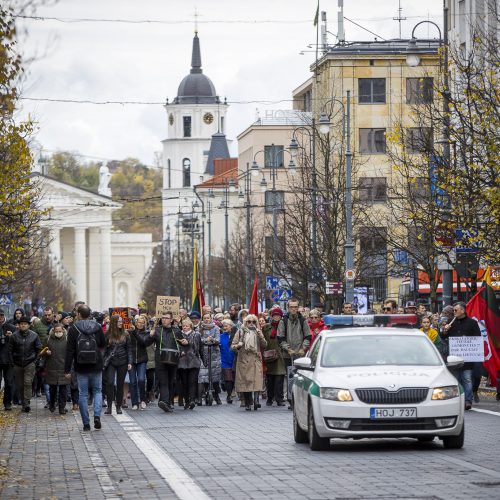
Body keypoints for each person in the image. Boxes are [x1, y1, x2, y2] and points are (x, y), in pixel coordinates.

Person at [64, 304, 106, 431]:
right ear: (90, 315)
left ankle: (86, 423)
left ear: (78, 315)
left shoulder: (73, 328)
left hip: (80, 365)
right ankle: (97, 416)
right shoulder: (97, 327)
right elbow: (102, 344)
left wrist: (67, 370)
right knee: (98, 391)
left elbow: (70, 351)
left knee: (83, 394)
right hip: (96, 364)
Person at [441, 301, 481, 410]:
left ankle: (468, 401)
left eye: (455, 310)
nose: (454, 312)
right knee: (456, 379)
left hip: (467, 358)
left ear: (462, 311)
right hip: (454, 357)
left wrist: (466, 339)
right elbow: (443, 337)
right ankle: (457, 400)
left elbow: (477, 338)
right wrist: (445, 331)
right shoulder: (450, 322)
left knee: (467, 379)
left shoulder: (472, 323)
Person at [277, 299, 311, 407]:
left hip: (300, 354)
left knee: (300, 377)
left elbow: (308, 336)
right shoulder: (283, 321)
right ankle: (291, 399)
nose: (293, 309)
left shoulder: (303, 320)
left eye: (295, 307)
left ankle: (301, 399)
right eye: (291, 307)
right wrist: (288, 349)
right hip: (288, 354)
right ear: (288, 308)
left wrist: (303, 348)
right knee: (290, 377)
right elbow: (280, 337)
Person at [148, 312, 183, 413]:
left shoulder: (176, 330)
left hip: (173, 359)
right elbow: (146, 342)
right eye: (162, 318)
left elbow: (182, 343)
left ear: (171, 320)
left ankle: (168, 402)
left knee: (171, 381)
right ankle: (164, 401)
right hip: (160, 359)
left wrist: (185, 343)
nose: (164, 320)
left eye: (166, 318)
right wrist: (150, 335)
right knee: (163, 381)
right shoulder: (157, 330)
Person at [231, 314, 267, 411]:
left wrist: (260, 335)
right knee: (246, 382)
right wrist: (238, 345)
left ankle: (256, 401)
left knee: (257, 381)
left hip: (255, 359)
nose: (251, 324)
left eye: (254, 322)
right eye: (249, 322)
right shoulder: (240, 331)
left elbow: (265, 344)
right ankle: (247, 402)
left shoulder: (258, 331)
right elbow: (232, 346)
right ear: (245, 323)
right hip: (244, 360)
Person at [9, 316, 42, 412]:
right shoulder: (14, 336)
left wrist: (35, 361)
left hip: (30, 363)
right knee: (20, 385)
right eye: (21, 324)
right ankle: (23, 402)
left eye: (25, 324)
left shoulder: (34, 335)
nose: (23, 325)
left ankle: (27, 402)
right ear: (18, 325)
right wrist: (12, 363)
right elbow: (10, 350)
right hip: (17, 363)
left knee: (27, 382)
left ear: (29, 325)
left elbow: (38, 349)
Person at [103, 315, 132, 415]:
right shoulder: (108, 334)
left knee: (120, 385)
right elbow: (104, 350)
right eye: (118, 321)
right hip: (111, 362)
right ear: (114, 323)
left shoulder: (126, 334)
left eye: (121, 321)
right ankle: (109, 407)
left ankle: (118, 406)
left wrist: (130, 362)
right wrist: (103, 361)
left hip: (123, 361)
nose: (120, 323)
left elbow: (129, 350)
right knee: (110, 383)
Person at [262, 307, 286, 407]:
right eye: (275, 315)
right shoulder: (266, 327)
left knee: (279, 378)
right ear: (272, 316)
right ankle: (270, 398)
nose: (276, 317)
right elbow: (262, 341)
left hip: (281, 355)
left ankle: (279, 399)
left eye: (278, 315)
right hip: (269, 356)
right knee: (270, 379)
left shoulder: (284, 326)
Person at [44, 323, 69, 415]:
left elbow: (71, 353)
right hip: (52, 367)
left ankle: (62, 407)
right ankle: (52, 404)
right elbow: (41, 351)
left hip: (64, 367)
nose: (58, 333)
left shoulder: (67, 339)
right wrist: (46, 352)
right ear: (53, 331)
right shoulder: (48, 339)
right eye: (56, 331)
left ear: (63, 330)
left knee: (63, 389)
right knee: (52, 388)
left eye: (60, 331)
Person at [198, 313, 222, 405]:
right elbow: (199, 340)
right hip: (203, 354)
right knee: (202, 376)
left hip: (214, 354)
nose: (207, 319)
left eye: (208, 318)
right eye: (205, 318)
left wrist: (212, 340)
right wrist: (206, 340)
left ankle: (217, 396)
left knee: (215, 376)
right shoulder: (200, 328)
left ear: (211, 319)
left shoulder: (215, 328)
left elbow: (218, 340)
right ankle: (199, 398)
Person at [177, 318, 201, 410]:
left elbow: (199, 347)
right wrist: (180, 352)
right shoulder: (179, 334)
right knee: (184, 382)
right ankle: (186, 400)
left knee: (192, 381)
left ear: (190, 326)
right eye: (183, 326)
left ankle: (192, 400)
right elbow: (176, 346)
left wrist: (188, 343)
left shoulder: (196, 334)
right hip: (182, 362)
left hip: (193, 361)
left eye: (187, 326)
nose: (185, 327)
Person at [128, 314, 150, 410]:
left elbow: (143, 342)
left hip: (142, 359)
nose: (140, 324)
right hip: (131, 360)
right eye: (139, 322)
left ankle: (143, 400)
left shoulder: (146, 333)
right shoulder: (129, 332)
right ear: (135, 323)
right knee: (132, 382)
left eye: (142, 323)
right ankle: (134, 403)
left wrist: (135, 333)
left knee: (141, 380)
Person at [0, 309, 16, 411]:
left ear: (3, 315)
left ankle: (7, 402)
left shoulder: (12, 327)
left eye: (1, 315)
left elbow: (18, 341)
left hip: (9, 359)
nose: (0, 318)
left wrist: (12, 336)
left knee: (9, 382)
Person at [220, 319, 235, 404]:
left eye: (227, 326)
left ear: (231, 327)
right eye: (224, 326)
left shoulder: (235, 335)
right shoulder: (221, 336)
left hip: (234, 359)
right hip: (224, 360)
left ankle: (231, 392)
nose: (225, 327)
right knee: (228, 379)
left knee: (233, 379)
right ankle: (229, 395)